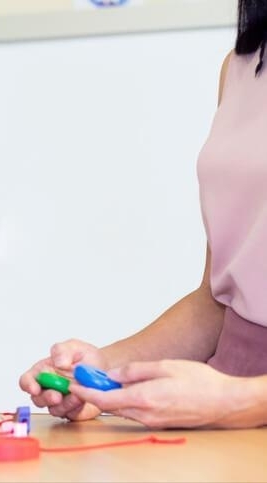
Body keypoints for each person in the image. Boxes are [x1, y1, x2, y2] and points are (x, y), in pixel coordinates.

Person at [19, 1, 267, 430]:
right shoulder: (242, 67)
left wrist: (235, 399)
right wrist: (104, 373)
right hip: (223, 419)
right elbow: (215, 300)